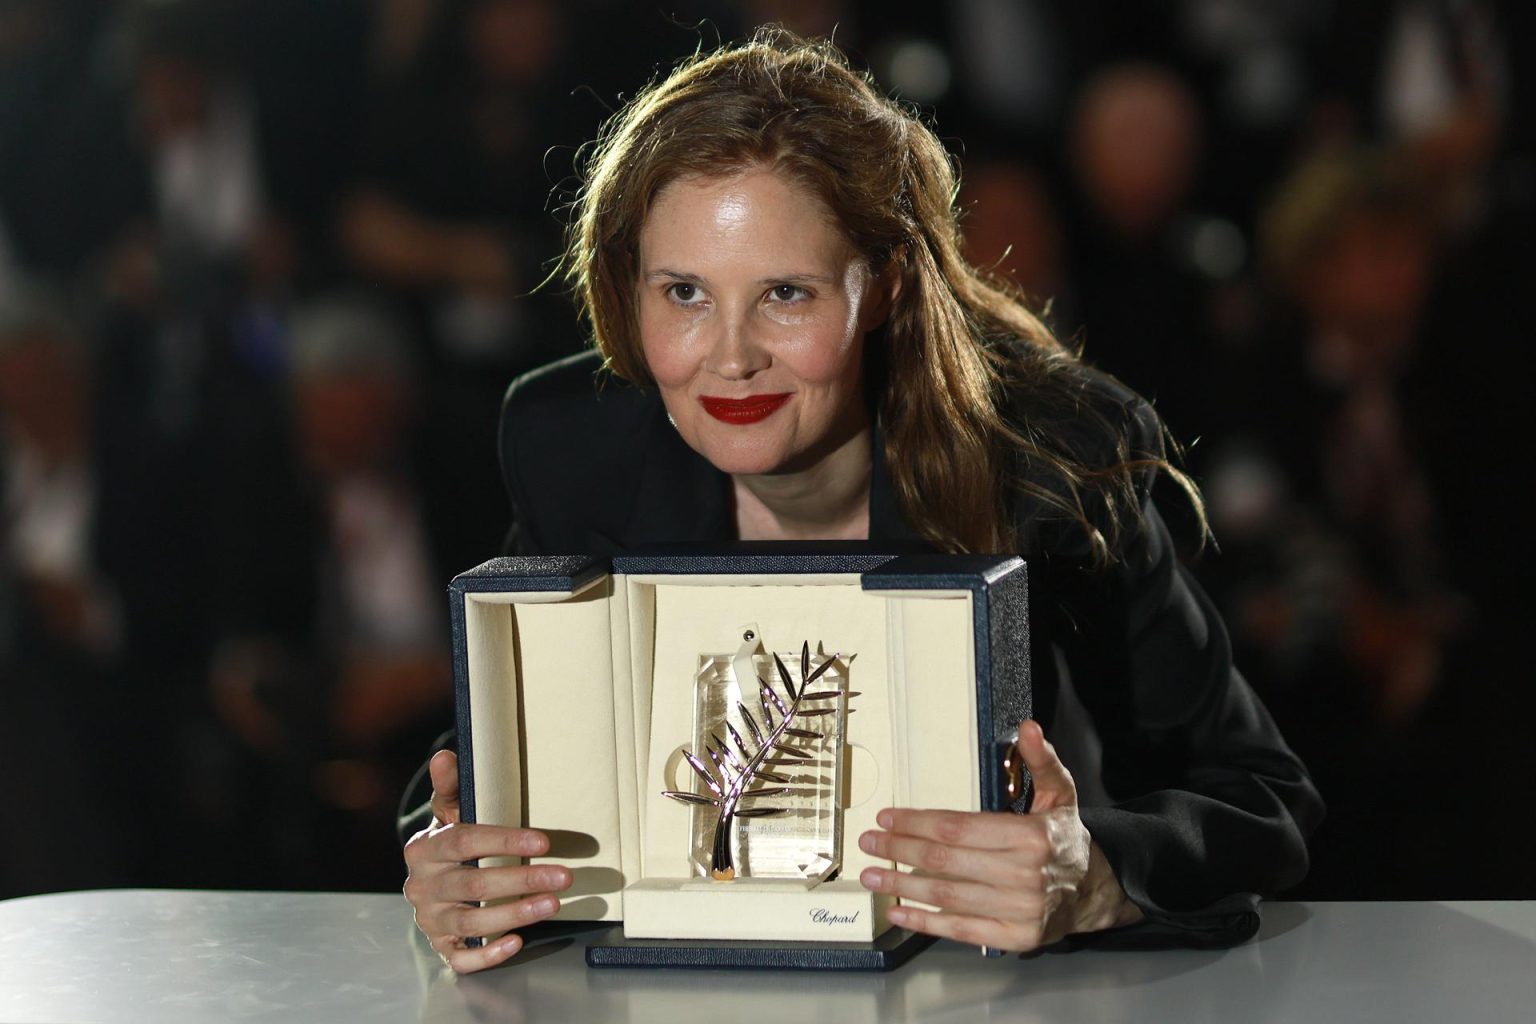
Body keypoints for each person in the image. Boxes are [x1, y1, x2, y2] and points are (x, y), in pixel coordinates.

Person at [400, 30, 1322, 973]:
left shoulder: (1054, 455)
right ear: (625, 289)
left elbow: (1261, 801)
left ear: (879, 285)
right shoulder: (574, 446)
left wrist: (1091, 878)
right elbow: (469, 780)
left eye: (786, 294)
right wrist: (455, 867)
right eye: (683, 292)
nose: (728, 356)